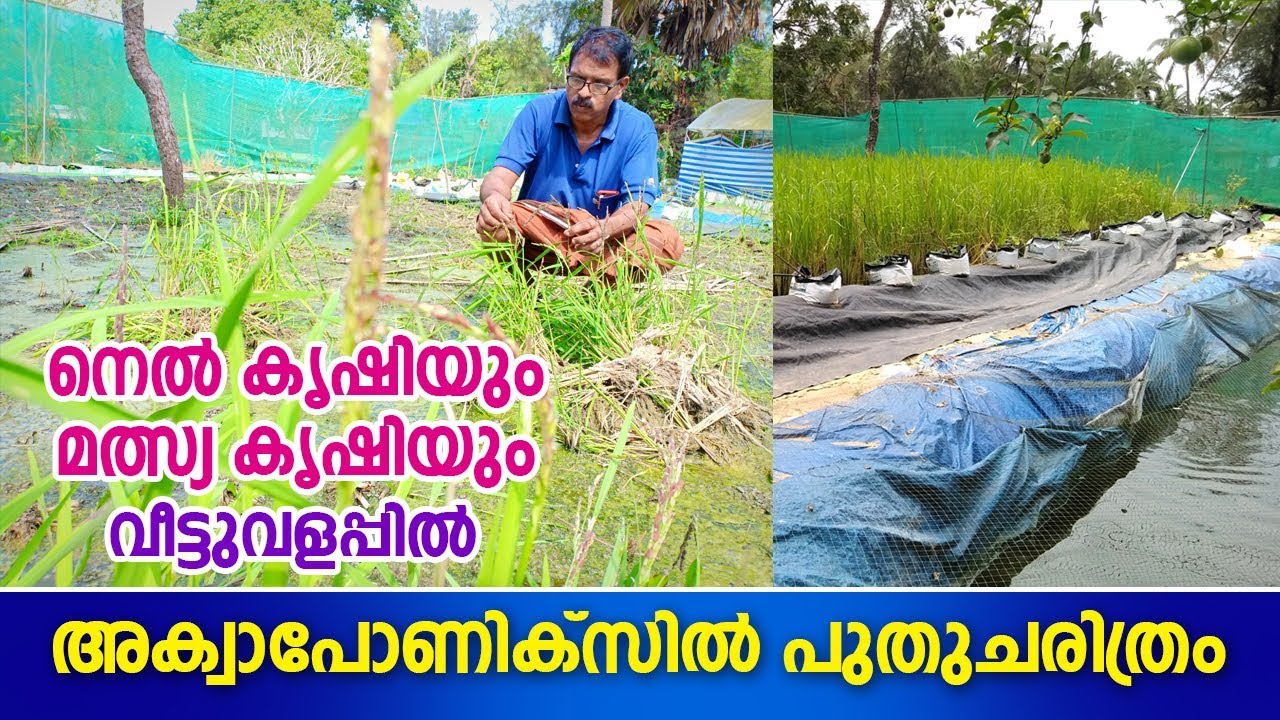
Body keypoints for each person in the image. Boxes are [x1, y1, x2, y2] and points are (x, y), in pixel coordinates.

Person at [474, 27, 683, 279]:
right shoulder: (538, 112)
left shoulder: (638, 128)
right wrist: (494, 198)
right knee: (495, 221)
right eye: (576, 79)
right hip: (540, 234)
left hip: (602, 245)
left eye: (599, 85)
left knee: (664, 240)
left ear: (620, 87)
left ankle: (594, 301)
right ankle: (525, 292)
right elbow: (499, 176)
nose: (583, 92)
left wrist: (604, 229)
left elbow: (638, 204)